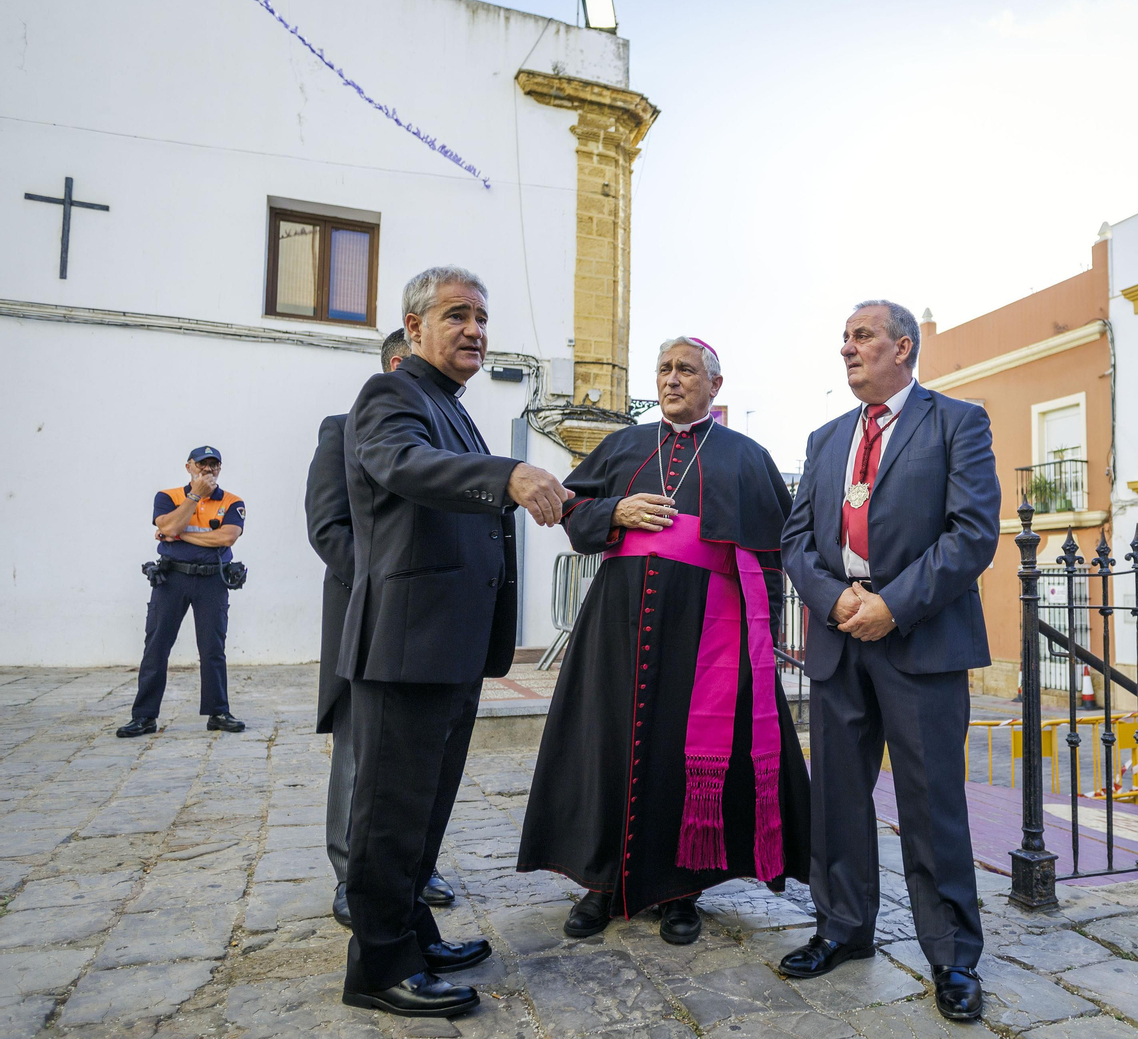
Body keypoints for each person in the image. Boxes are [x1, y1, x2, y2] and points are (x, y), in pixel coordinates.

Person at [518, 337, 811, 945]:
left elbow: (777, 555)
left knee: (686, 752)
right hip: (616, 621)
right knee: (608, 744)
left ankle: (680, 890)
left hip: (706, 631)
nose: (672, 379)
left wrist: (767, 646)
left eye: (686, 370)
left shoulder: (746, 456)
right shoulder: (624, 444)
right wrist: (615, 512)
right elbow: (567, 510)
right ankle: (600, 885)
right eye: (665, 370)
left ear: (715, 385)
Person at [338, 266, 571, 1018]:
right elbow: (405, 467)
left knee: (425, 811)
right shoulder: (391, 396)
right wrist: (506, 476)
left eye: (481, 317)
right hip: (408, 644)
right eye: (457, 315)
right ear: (413, 329)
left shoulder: (453, 406)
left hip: (454, 646)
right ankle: (377, 967)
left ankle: (413, 932)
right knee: (390, 812)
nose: (475, 329)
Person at [781, 301, 999, 1022]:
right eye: (843, 337)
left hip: (920, 638)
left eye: (862, 337)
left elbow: (972, 535)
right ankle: (842, 928)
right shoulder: (825, 437)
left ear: (903, 347)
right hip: (840, 636)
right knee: (837, 797)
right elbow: (795, 542)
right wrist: (835, 600)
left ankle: (952, 958)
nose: (846, 348)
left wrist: (893, 605)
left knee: (931, 803)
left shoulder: (957, 423)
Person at [305, 330, 458, 929]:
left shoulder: (447, 428)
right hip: (369, 614)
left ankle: (411, 869)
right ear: (399, 364)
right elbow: (328, 529)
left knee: (419, 760)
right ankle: (351, 875)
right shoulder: (342, 429)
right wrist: (391, 583)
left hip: (428, 623)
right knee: (358, 754)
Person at [117, 446, 248, 737]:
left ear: (220, 469)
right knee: (156, 648)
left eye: (214, 465)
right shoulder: (168, 497)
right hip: (172, 579)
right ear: (188, 466)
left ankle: (218, 712)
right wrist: (194, 497)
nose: (207, 470)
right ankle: (144, 716)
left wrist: (179, 534)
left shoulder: (232, 501)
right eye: (201, 464)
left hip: (213, 580)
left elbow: (227, 537)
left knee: (213, 649)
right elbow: (167, 523)